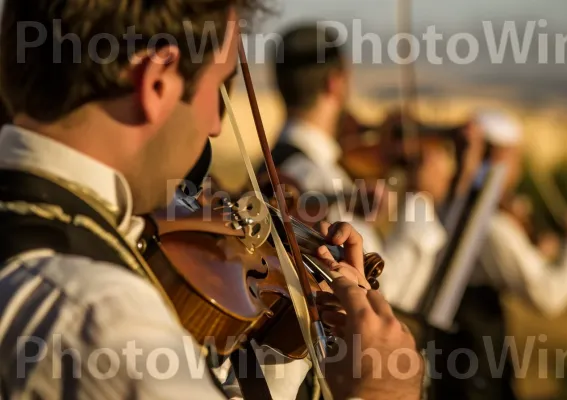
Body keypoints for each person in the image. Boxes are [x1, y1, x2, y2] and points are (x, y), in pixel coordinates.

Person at [0, 1, 423, 399]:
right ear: (157, 83)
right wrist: (379, 391)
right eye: (220, 88)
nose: (217, 127)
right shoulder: (104, 319)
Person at [265, 23, 455, 316]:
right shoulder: (315, 178)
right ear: (335, 83)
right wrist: (422, 200)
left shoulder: (274, 164)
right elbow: (384, 293)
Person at [428, 109, 567, 400]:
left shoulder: (452, 201)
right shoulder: (490, 222)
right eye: (515, 157)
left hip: (454, 353)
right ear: (501, 158)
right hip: (475, 359)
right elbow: (548, 294)